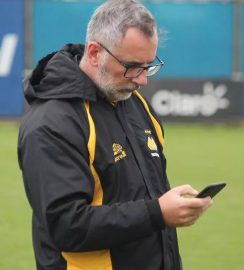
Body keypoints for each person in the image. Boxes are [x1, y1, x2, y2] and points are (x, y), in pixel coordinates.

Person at [17, 0, 213, 269]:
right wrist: (157, 213)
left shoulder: (134, 102)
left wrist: (169, 210)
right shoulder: (52, 122)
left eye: (149, 66)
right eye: (132, 66)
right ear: (95, 53)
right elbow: (66, 226)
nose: (142, 80)